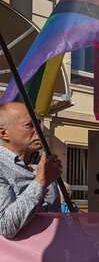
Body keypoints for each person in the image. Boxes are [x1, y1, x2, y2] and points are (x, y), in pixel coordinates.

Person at [0, 102, 62, 238]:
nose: (40, 129)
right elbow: (5, 227)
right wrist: (40, 181)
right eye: (29, 125)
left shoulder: (42, 162)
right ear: (4, 133)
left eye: (39, 123)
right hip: (20, 258)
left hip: (57, 253)